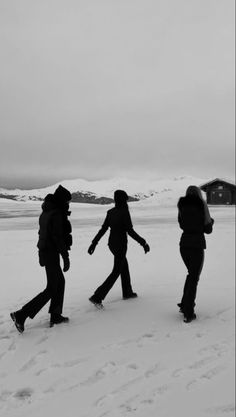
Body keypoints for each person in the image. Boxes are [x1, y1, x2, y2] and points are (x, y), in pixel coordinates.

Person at [10, 185, 72, 333]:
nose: (68, 204)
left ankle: (56, 315)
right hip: (51, 253)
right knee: (52, 288)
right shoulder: (56, 214)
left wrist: (41, 253)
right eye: (67, 201)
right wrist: (66, 256)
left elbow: (42, 234)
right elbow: (57, 238)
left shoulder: (46, 212)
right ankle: (21, 315)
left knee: (59, 283)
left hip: (46, 252)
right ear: (62, 200)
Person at [88, 189, 150, 308]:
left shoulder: (110, 212)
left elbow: (103, 229)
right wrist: (143, 243)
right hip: (120, 245)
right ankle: (97, 296)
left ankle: (127, 292)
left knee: (123, 266)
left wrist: (94, 243)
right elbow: (130, 231)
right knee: (117, 270)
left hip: (112, 244)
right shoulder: (124, 212)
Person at [177, 185, 214, 323]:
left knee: (191, 274)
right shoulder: (201, 205)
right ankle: (188, 312)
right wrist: (211, 222)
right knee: (194, 277)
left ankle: (184, 304)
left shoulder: (181, 205)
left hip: (184, 245)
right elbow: (208, 229)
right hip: (197, 245)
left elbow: (181, 225)